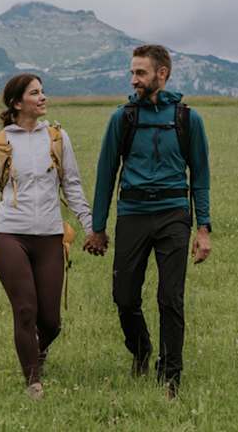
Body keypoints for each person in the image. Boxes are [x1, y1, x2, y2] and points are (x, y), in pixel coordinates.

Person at [82, 44, 212, 398]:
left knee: (171, 297)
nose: (134, 79)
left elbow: (200, 174)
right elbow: (106, 172)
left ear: (162, 74)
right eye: (132, 72)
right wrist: (98, 227)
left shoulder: (188, 119)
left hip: (173, 215)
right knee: (124, 296)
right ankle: (140, 350)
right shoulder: (123, 118)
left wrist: (203, 228)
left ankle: (171, 376)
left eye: (140, 72)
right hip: (133, 214)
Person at [0, 73, 93, 399]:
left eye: (43, 91)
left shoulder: (58, 137)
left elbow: (72, 185)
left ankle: (37, 350)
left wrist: (91, 226)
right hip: (10, 234)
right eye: (35, 93)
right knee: (25, 310)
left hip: (50, 234)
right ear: (17, 102)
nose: (43, 97)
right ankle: (33, 381)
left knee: (51, 322)